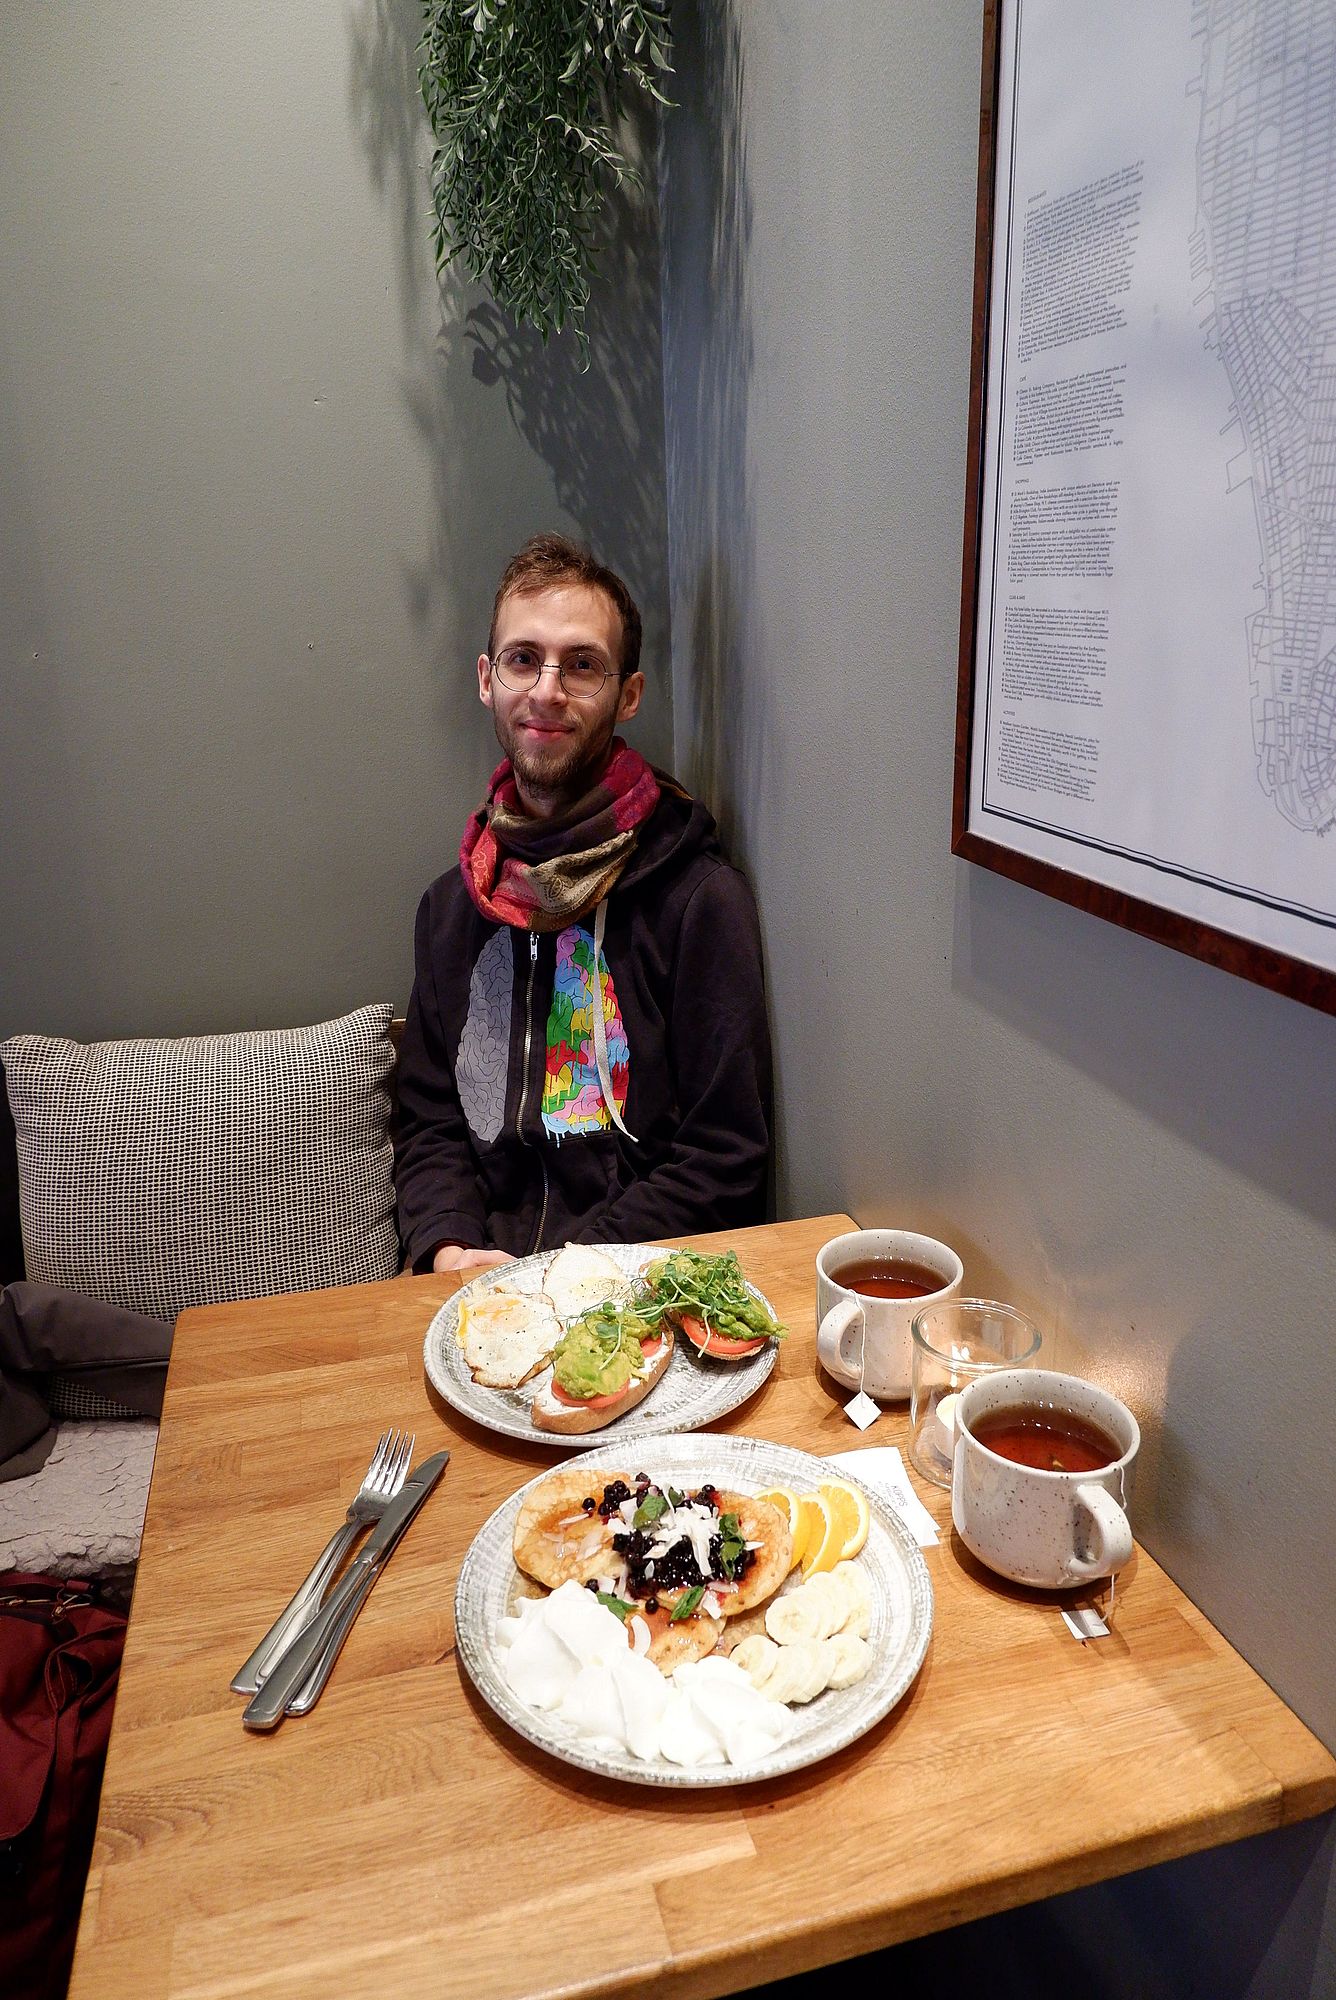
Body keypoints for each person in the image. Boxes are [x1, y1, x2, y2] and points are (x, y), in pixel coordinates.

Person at [393, 534, 772, 1274]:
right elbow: (431, 1122)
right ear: (487, 679)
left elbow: (723, 1157)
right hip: (470, 1281)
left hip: (630, 1284)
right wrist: (448, 1249)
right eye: (523, 658)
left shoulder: (699, 903)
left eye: (582, 665)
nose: (547, 690)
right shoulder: (448, 911)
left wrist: (562, 1273)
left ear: (627, 695)